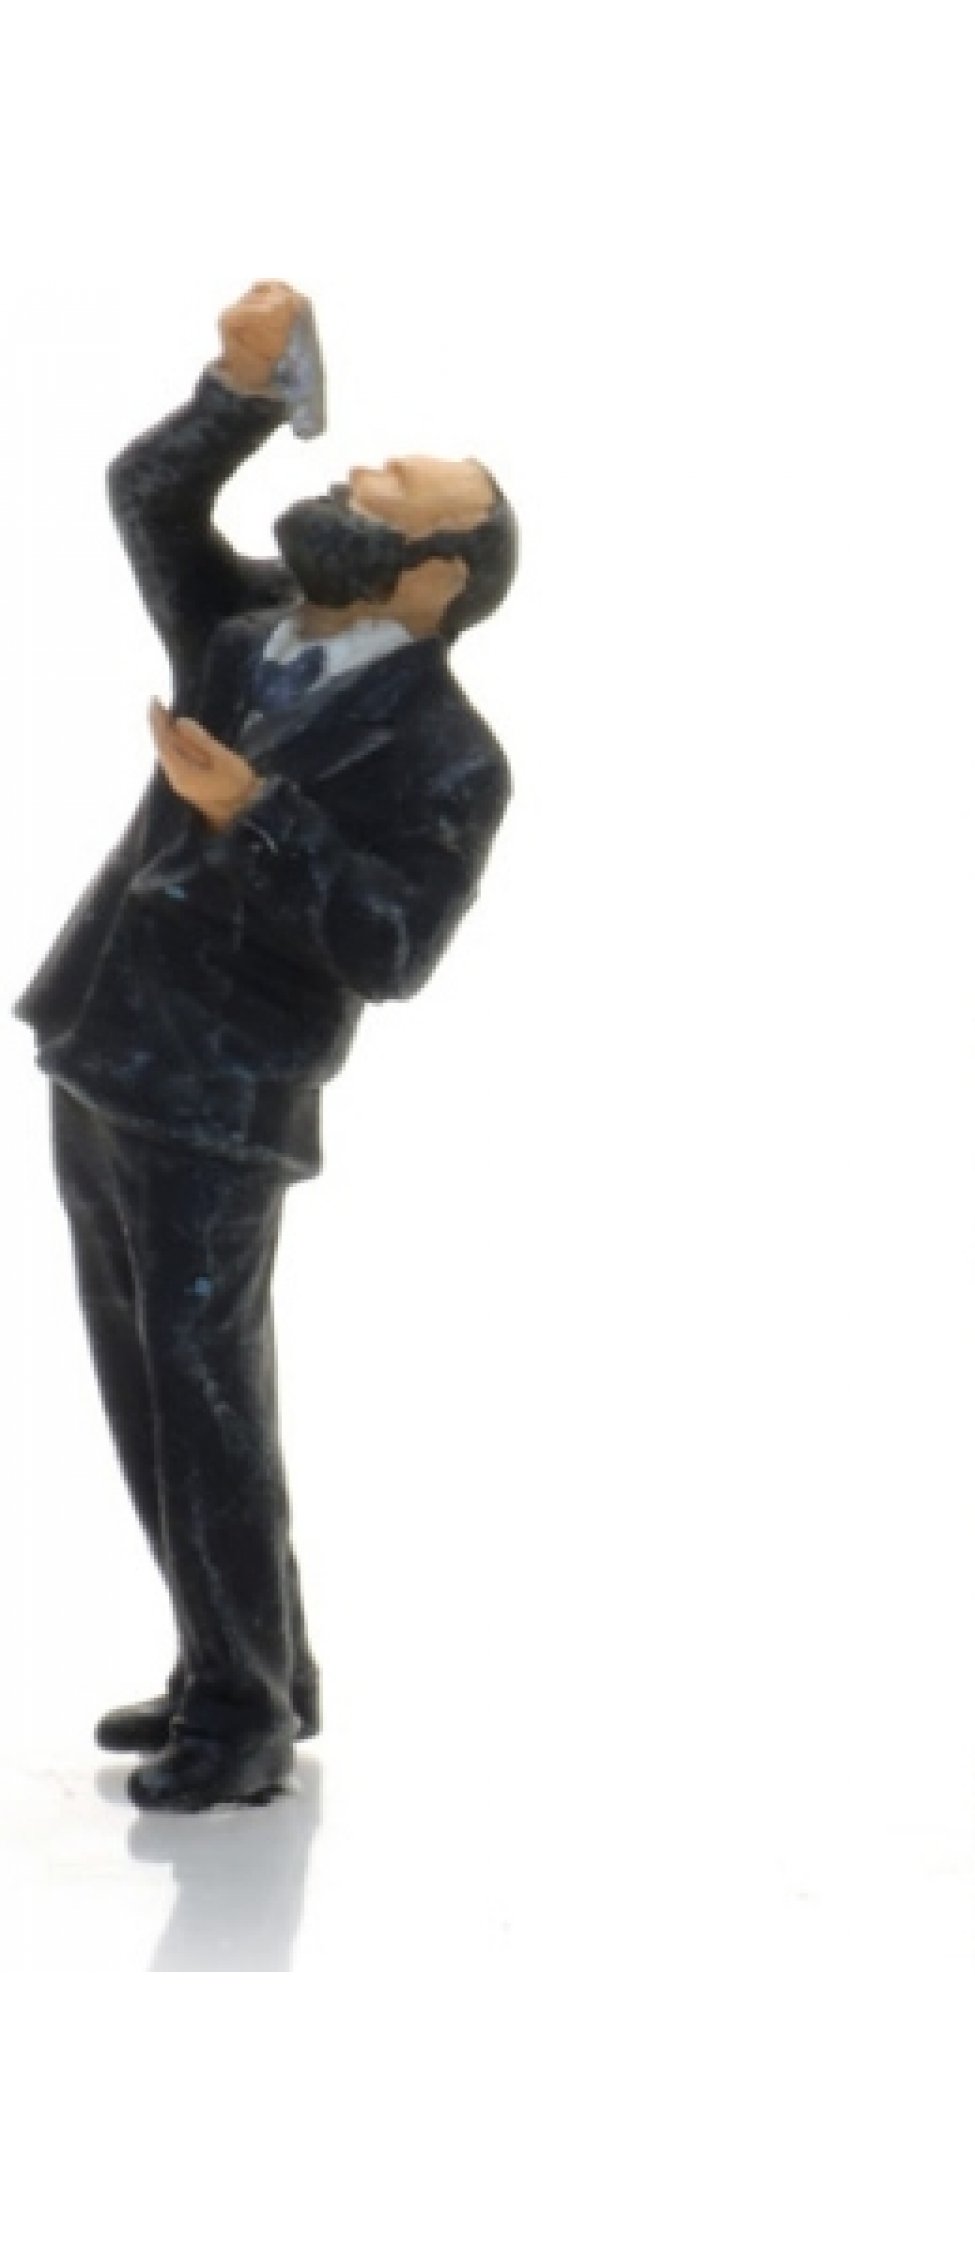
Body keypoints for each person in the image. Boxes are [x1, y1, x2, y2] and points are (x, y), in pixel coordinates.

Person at [22, 281, 516, 1812]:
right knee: (145, 1385)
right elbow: (146, 495)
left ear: (431, 579)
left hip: (219, 1097)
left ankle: (240, 1716)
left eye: (387, 494)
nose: (353, 477)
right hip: (105, 1039)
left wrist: (256, 813)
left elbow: (391, 947)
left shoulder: (450, 755)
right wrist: (239, 390)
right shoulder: (240, 637)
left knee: (207, 1396)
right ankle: (238, 1658)